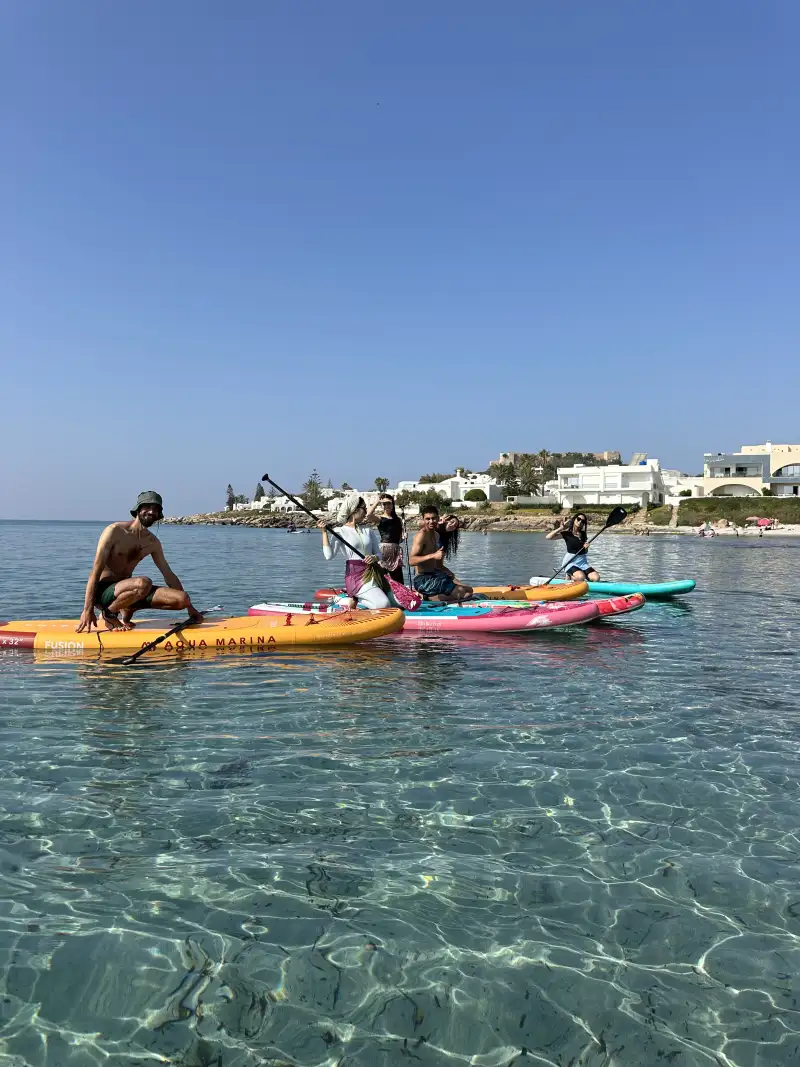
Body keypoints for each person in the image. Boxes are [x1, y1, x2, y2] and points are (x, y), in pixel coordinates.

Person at [77, 491, 202, 632]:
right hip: (103, 592)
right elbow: (95, 571)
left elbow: (168, 574)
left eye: (156, 509)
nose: (151, 512)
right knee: (144, 582)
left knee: (182, 599)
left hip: (129, 591)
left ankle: (129, 607)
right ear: (138, 509)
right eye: (147, 507)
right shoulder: (114, 531)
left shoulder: (153, 542)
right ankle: (109, 614)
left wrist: (190, 608)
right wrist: (87, 609)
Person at [319, 494, 395, 609]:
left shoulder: (368, 530)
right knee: (384, 604)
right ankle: (355, 598)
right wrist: (324, 532)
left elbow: (379, 554)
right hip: (356, 577)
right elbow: (329, 556)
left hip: (374, 573)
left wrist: (375, 557)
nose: (366, 511)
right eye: (364, 508)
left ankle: (355, 598)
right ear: (355, 510)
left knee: (397, 604)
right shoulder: (340, 531)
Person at [409, 505, 473, 602]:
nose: (431, 521)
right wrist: (433, 555)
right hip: (422, 579)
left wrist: (448, 572)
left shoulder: (437, 535)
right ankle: (428, 597)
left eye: (434, 518)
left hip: (435, 574)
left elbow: (438, 565)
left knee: (469, 590)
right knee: (464, 594)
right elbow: (411, 561)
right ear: (423, 519)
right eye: (428, 519)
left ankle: (432, 595)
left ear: (438, 518)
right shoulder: (421, 536)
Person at [546, 512, 600, 581]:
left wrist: (586, 548)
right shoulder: (567, 533)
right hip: (570, 562)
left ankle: (583, 580)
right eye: (578, 519)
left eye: (583, 521)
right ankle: (569, 576)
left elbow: (584, 551)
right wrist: (560, 528)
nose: (580, 522)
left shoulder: (583, 534)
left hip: (583, 562)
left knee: (596, 578)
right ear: (574, 520)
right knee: (581, 577)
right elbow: (548, 537)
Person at [366, 493, 405, 583]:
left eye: (389, 503)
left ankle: (400, 595)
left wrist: (403, 537)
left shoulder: (398, 520)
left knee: (398, 579)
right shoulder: (380, 519)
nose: (387, 506)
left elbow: (399, 539)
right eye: (385, 504)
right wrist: (377, 501)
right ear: (382, 505)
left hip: (395, 551)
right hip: (384, 551)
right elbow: (368, 515)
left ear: (392, 504)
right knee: (382, 577)